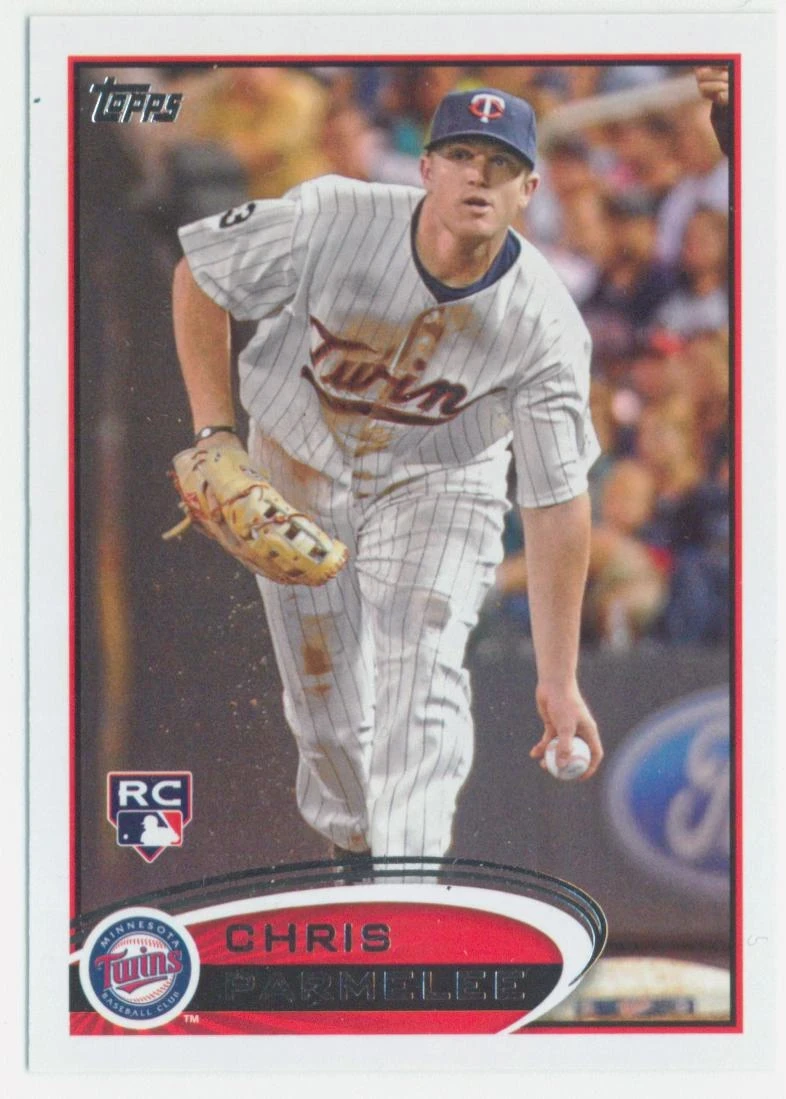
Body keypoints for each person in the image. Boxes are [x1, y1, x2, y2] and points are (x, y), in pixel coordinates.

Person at [171, 87, 604, 863]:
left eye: (502, 164)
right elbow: (202, 274)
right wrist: (214, 431)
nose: (480, 175)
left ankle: (408, 876)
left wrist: (560, 676)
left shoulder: (545, 323)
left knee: (423, 663)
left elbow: (556, 502)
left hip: (441, 480)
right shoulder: (332, 216)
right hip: (297, 454)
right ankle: (358, 851)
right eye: (463, 154)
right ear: (426, 168)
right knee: (327, 715)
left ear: (529, 190)